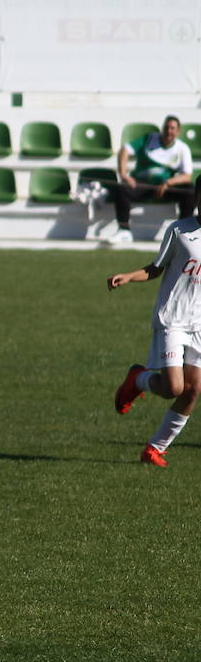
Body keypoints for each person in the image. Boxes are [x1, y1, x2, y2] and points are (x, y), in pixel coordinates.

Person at [109, 199, 201, 467]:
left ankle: (154, 449)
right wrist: (128, 276)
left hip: (199, 323)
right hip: (172, 319)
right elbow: (156, 268)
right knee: (174, 387)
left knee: (193, 390)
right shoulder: (180, 231)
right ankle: (138, 379)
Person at [110, 116, 194, 244]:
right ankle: (124, 230)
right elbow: (125, 150)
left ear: (178, 131)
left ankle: (183, 233)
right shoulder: (149, 139)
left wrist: (167, 183)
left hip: (165, 187)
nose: (169, 131)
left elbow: (187, 176)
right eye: (166, 127)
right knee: (121, 188)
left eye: (172, 128)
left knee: (189, 190)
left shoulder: (182, 148)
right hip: (143, 183)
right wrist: (124, 175)